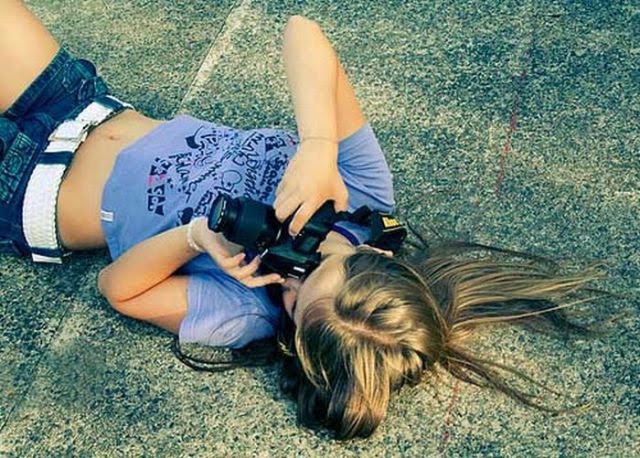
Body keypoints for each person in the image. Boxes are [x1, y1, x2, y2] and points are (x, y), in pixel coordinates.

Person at [0, 1, 622, 440]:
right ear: (372, 254)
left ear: (293, 335)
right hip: (83, 104)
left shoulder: (246, 310)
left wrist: (195, 238)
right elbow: (303, 32)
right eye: (320, 265)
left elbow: (118, 289)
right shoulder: (364, 195)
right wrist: (319, 147)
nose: (292, 271)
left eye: (296, 300)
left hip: (33, 191)